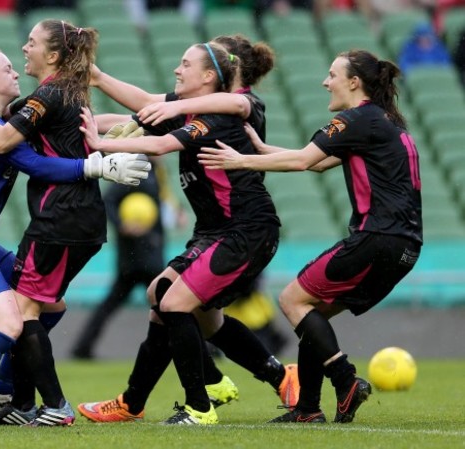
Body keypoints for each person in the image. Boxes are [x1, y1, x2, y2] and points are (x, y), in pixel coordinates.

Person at [0, 47, 150, 429]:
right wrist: (95, 166)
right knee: (11, 324)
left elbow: (66, 122)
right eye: (6, 69)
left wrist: (144, 118)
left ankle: (6, 382)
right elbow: (34, 163)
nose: (15, 72)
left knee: (50, 309)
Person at [77, 34, 299, 425]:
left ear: (211, 75)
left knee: (174, 304)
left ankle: (198, 407)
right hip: (215, 231)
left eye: (186, 64)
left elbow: (161, 143)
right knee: (165, 296)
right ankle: (276, 376)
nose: (177, 69)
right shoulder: (193, 109)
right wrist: (89, 98)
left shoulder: (226, 112)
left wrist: (100, 145)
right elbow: (140, 110)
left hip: (244, 230)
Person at [199, 49, 422, 423]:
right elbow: (316, 164)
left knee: (291, 299)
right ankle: (307, 410)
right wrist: (262, 149)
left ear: (354, 82)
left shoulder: (354, 119)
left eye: (332, 74)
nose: (324, 82)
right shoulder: (385, 123)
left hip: (376, 237)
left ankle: (345, 379)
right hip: (406, 248)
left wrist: (240, 161)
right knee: (312, 314)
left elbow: (303, 160)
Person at [71, 154, 166, 360]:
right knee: (171, 305)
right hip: (134, 257)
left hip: (150, 254)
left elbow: (155, 212)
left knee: (167, 305)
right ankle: (203, 349)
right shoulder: (137, 170)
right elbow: (109, 200)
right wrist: (122, 225)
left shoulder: (156, 173)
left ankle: (82, 347)